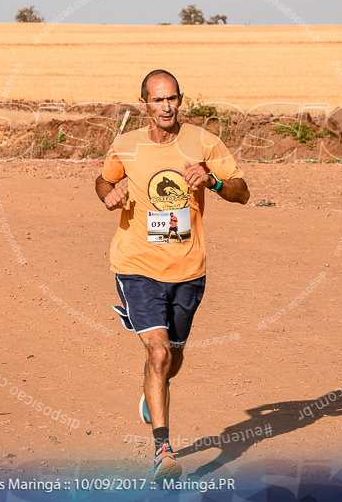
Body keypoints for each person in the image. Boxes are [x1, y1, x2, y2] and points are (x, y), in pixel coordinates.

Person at [94, 69, 249, 480]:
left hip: (187, 269)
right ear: (144, 104)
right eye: (158, 99)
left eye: (173, 99)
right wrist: (110, 194)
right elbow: (102, 179)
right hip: (136, 264)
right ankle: (163, 450)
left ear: (181, 100)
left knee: (170, 359)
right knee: (158, 352)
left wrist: (213, 181)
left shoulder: (203, 141)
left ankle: (153, 389)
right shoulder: (126, 146)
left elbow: (242, 191)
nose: (166, 106)